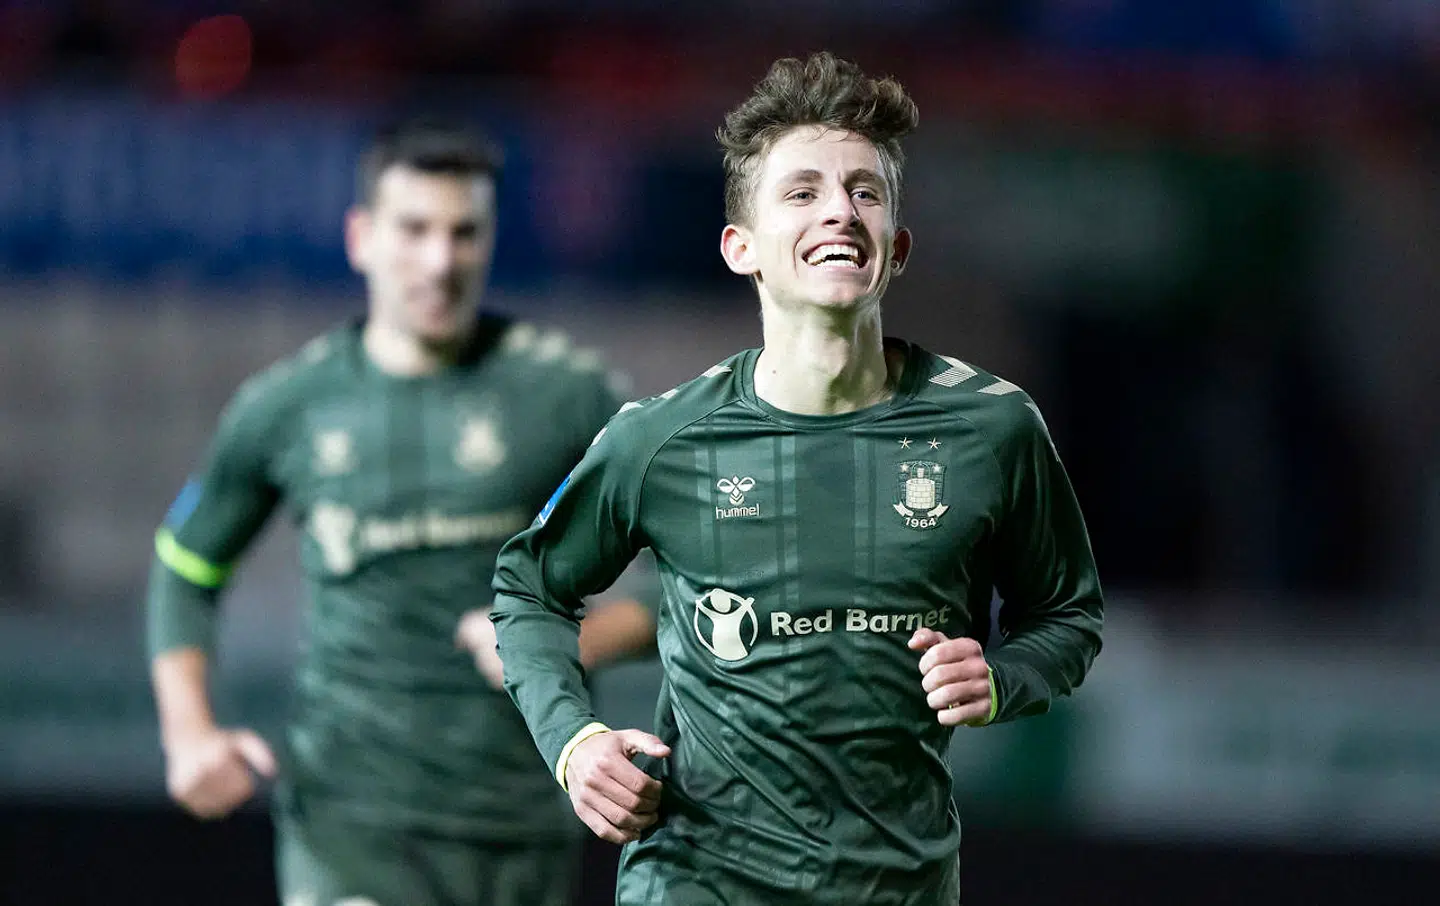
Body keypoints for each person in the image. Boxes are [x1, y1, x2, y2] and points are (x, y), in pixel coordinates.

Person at [489, 52, 1104, 905]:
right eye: (803, 192)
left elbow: (1066, 615)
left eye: (866, 192)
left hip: (900, 887)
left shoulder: (993, 428)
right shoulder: (661, 439)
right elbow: (528, 589)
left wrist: (1002, 679)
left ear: (897, 248)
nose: (840, 212)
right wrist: (574, 740)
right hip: (697, 881)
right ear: (741, 247)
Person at [144, 118, 657, 906]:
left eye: (465, 232)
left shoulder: (564, 395)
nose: (440, 260)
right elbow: (186, 567)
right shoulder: (289, 405)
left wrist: (579, 639)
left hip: (518, 818)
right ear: (360, 238)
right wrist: (187, 734)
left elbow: (703, 573)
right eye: (414, 229)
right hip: (349, 818)